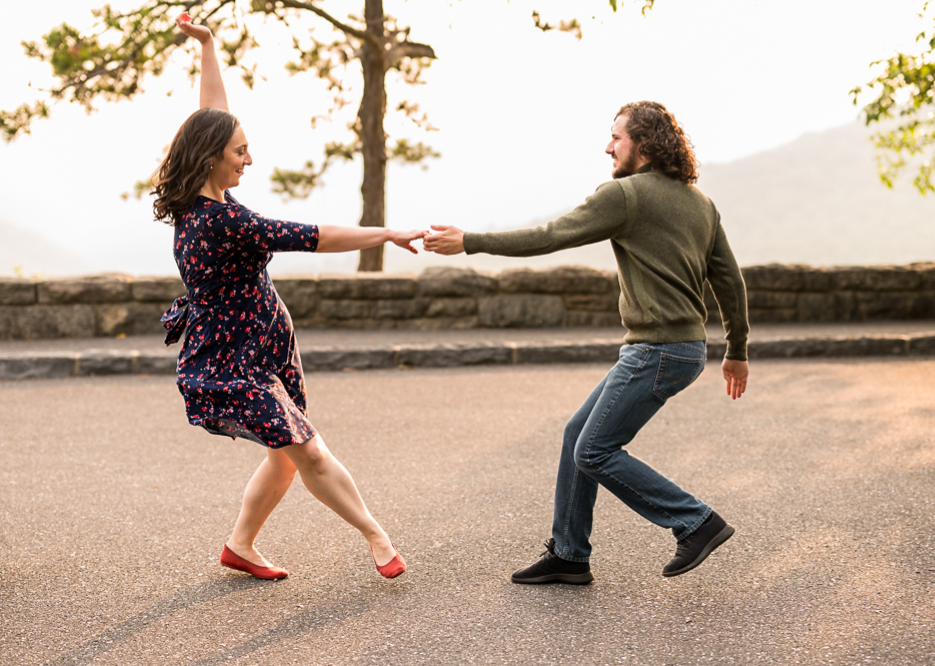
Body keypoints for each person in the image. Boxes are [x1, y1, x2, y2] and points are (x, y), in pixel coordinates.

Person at [424, 101, 750, 583]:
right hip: (685, 349)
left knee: (594, 450)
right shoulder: (700, 203)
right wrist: (737, 350)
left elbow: (551, 235)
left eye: (615, 136)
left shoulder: (626, 195)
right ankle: (569, 554)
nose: (608, 146)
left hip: (656, 349)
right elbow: (730, 281)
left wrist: (470, 240)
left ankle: (695, 523)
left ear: (643, 143)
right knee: (578, 435)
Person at [156, 14, 422, 581]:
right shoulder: (225, 222)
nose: (248, 159)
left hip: (260, 350)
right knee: (308, 450)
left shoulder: (194, 198)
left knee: (285, 452)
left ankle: (240, 546)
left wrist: (208, 46)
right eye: (240, 151)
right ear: (212, 157)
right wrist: (387, 233)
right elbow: (315, 236)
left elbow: (212, 118)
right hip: (234, 362)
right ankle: (378, 538)